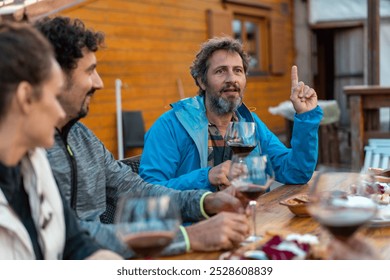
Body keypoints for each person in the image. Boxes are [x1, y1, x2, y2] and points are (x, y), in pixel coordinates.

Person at [34, 16, 249, 258]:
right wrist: (189, 237)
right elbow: (64, 234)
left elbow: (136, 189)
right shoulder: (28, 148)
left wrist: (204, 202)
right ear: (54, 76)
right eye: (91, 71)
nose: (99, 83)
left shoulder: (82, 137)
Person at [0, 21, 121, 260]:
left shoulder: (33, 162)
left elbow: (73, 241)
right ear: (25, 97)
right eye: (54, 96)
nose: (59, 113)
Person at [139, 37, 324, 192]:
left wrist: (305, 117)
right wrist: (207, 177)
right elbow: (148, 192)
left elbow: (295, 172)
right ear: (202, 82)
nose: (231, 79)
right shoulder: (170, 126)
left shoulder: (248, 121)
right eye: (220, 71)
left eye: (238, 71)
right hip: (199, 228)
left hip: (252, 220)